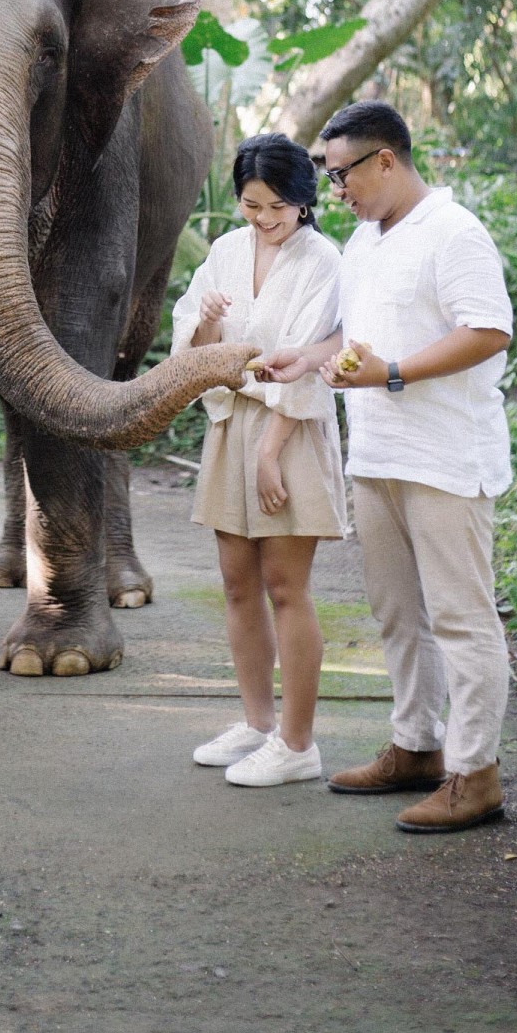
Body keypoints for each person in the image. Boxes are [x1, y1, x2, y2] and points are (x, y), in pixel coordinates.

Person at [257, 101, 513, 833]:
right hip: (377, 455)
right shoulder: (365, 242)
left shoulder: (454, 232)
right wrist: (307, 356)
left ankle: (476, 774)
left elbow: (489, 330)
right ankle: (417, 747)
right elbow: (353, 334)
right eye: (330, 177)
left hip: (445, 458)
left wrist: (392, 372)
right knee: (398, 614)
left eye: (342, 176)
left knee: (460, 618)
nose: (336, 191)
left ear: (387, 161)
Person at [172, 133, 346, 788]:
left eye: (278, 206)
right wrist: (208, 320)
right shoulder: (225, 251)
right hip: (230, 422)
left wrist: (271, 454)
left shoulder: (323, 260)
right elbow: (196, 345)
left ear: (303, 200)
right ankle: (256, 723)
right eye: (251, 205)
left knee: (285, 586)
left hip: (289, 427)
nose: (265, 218)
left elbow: (311, 360)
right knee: (237, 582)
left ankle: (298, 744)